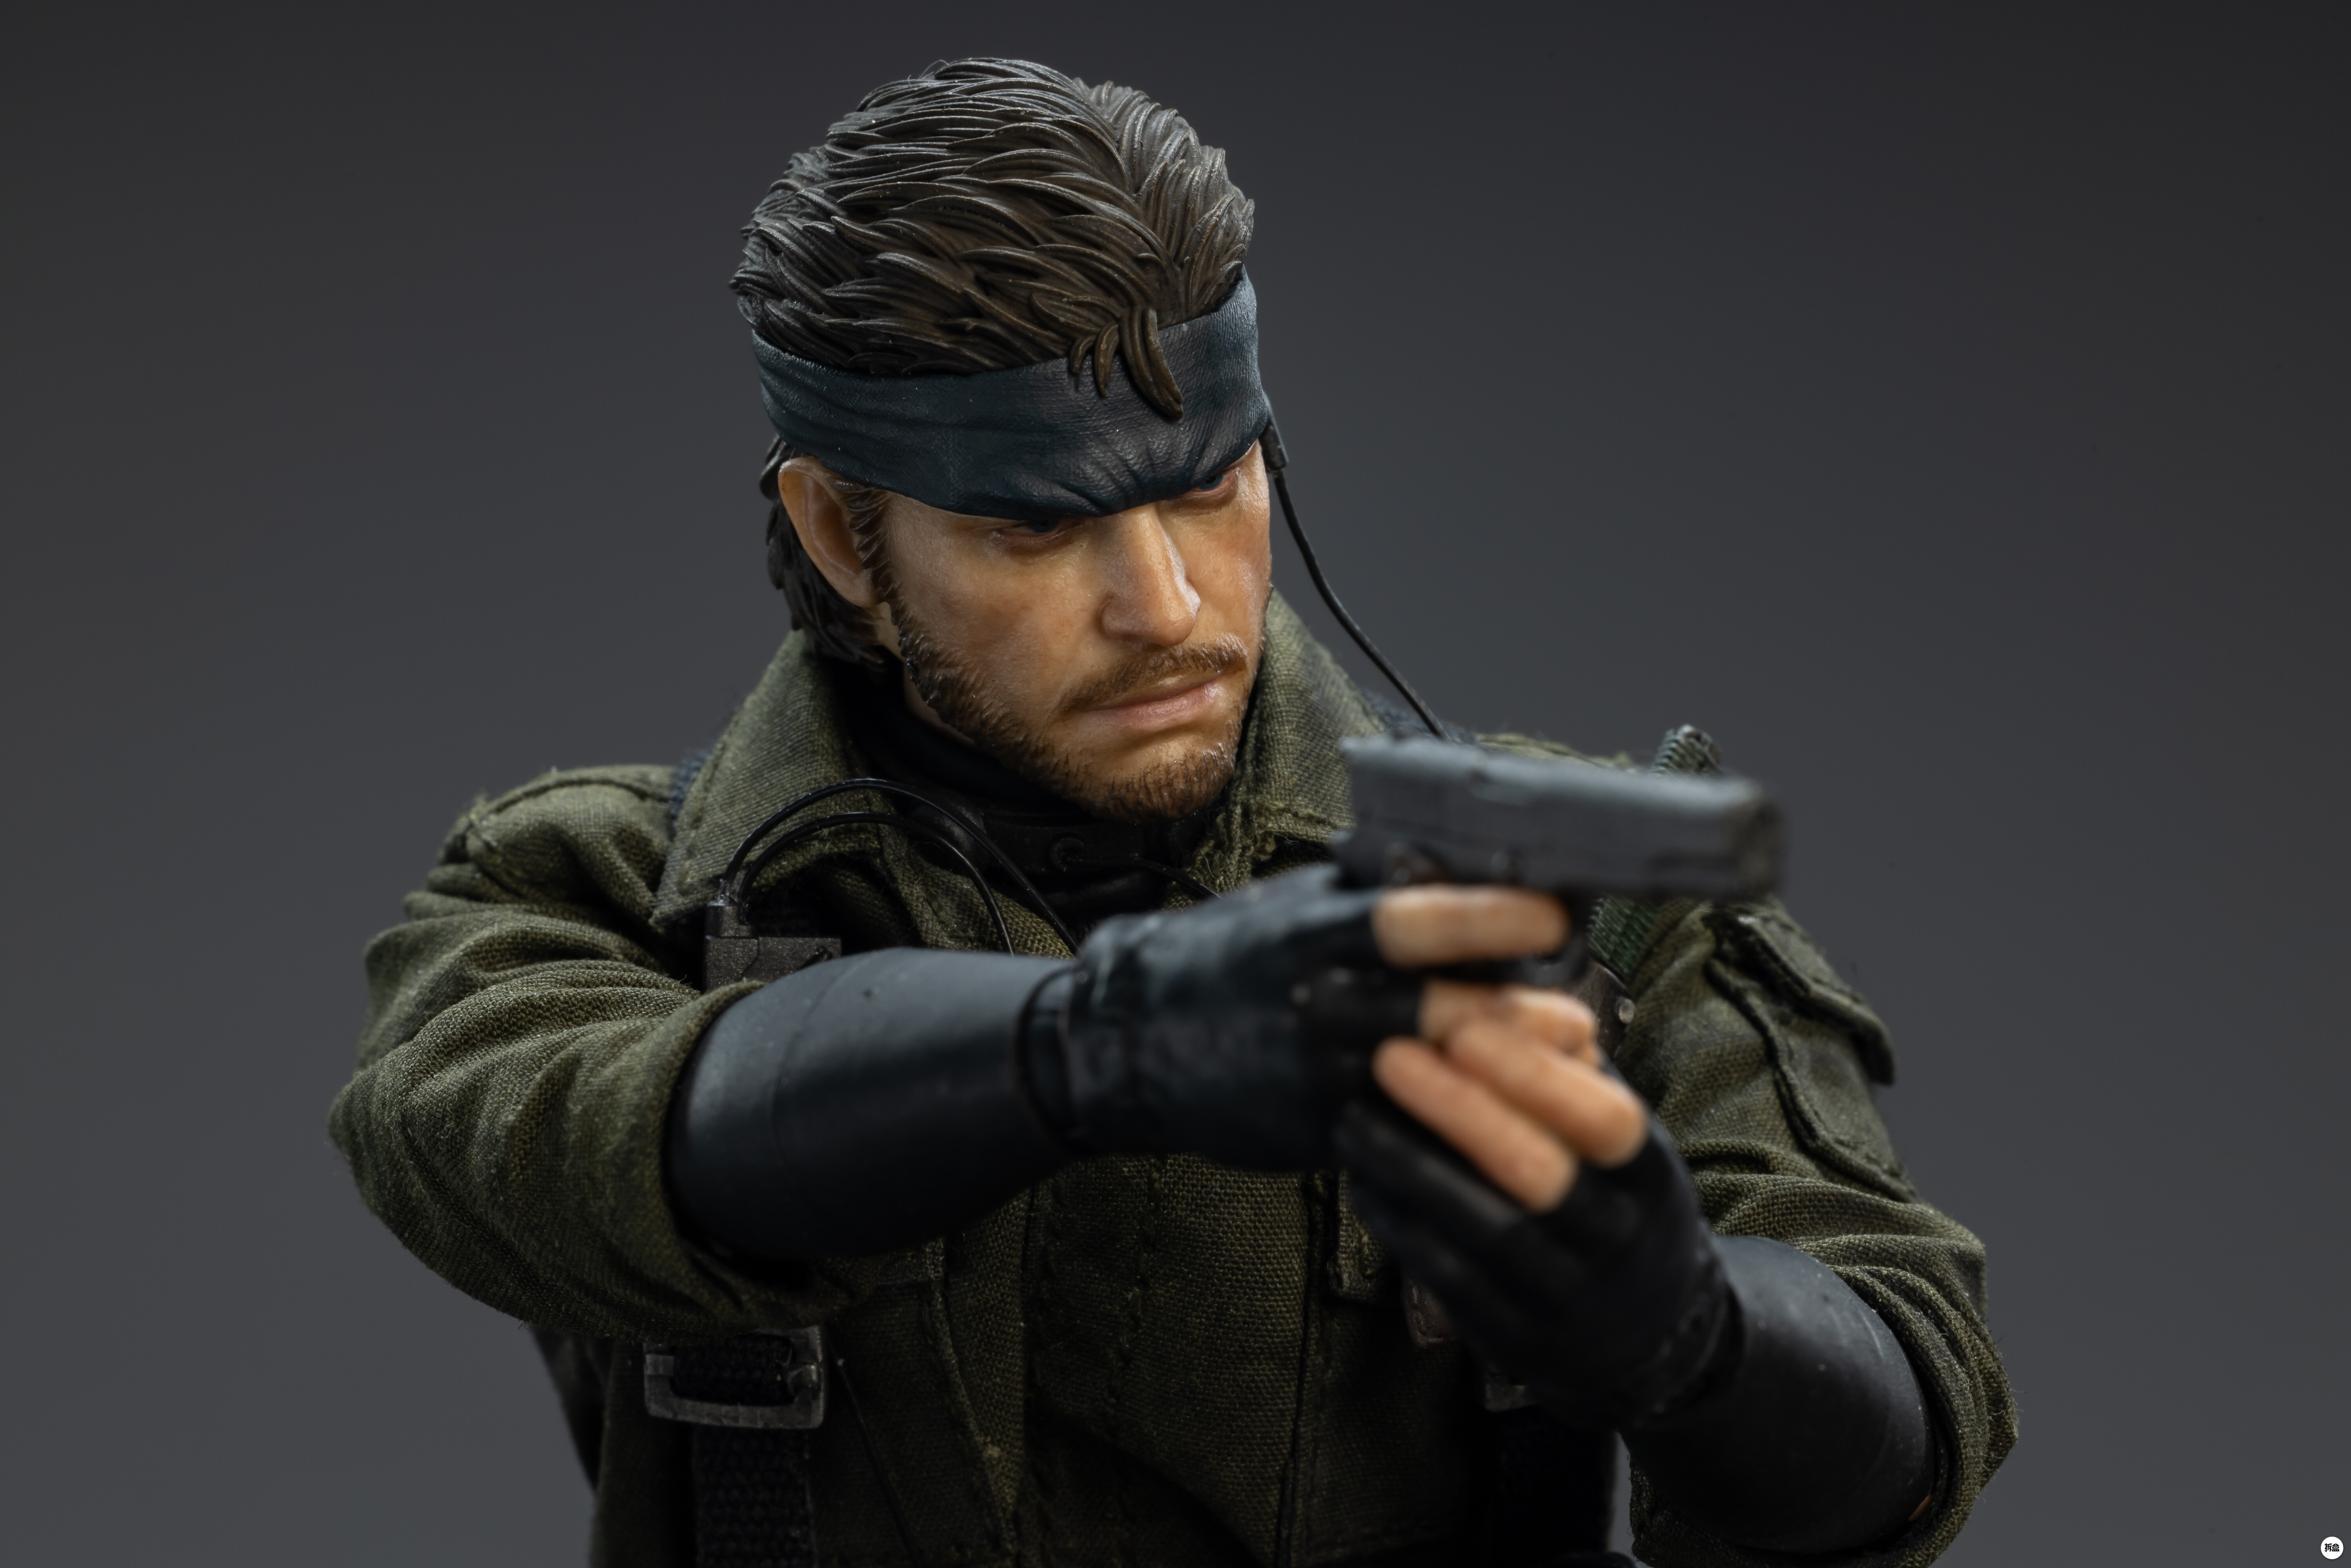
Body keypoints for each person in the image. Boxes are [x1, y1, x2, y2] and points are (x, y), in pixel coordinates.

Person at [330, 57, 2014, 1568]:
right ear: (842, 533)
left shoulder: (1569, 896)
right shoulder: (608, 896)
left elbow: (1907, 1402)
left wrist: (1691, 1336)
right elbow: (524, 1139)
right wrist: (1095, 1044)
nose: (1168, 606)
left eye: (1210, 487)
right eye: (1036, 527)